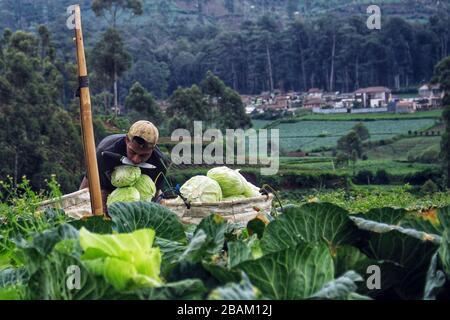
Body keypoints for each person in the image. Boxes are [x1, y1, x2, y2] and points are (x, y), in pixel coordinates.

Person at [79, 120, 167, 212]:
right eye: (132, 152)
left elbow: (155, 194)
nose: (135, 160)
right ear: (126, 141)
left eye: (143, 155)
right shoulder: (105, 153)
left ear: (153, 149)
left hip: (137, 201)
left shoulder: (159, 163)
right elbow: (86, 186)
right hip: (106, 190)